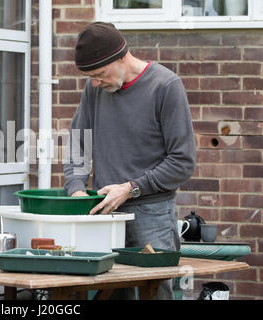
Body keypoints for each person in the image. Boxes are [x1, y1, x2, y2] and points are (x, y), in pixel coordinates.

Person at [63, 22, 196, 300]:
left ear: (122, 56)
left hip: (152, 216)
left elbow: (182, 162)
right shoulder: (94, 89)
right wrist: (76, 189)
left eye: (99, 74)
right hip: (105, 216)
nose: (96, 83)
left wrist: (130, 188)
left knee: (156, 293)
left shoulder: (166, 86)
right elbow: (78, 147)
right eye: (90, 78)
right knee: (109, 295)